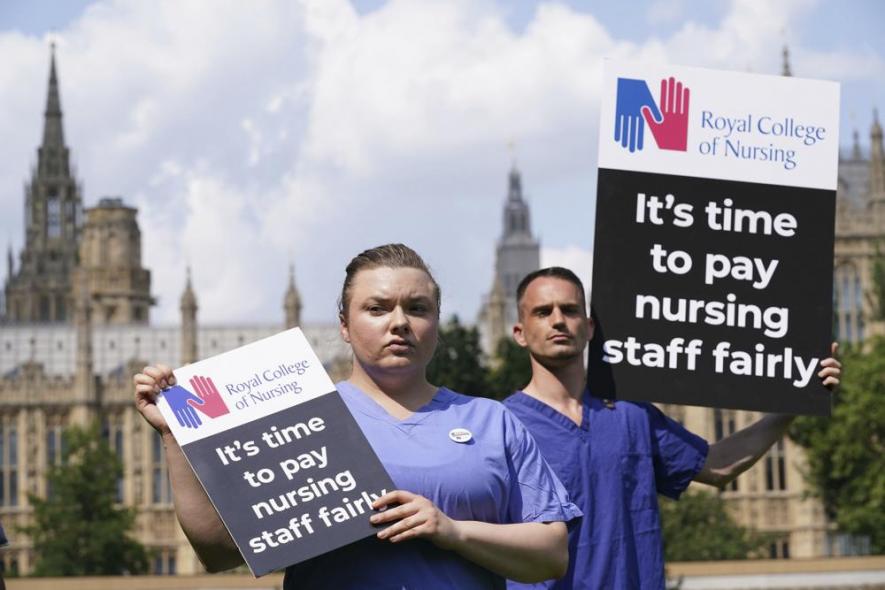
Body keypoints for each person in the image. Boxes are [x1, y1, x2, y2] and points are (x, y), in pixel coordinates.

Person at [134, 244, 580, 589]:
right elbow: (218, 549)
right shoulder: (300, 416)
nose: (400, 322)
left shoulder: (491, 422)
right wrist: (176, 437)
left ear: (437, 324)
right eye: (378, 308)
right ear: (344, 325)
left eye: (418, 308)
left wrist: (452, 531)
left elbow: (551, 552)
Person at [502, 267, 842, 590]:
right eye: (543, 312)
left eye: (570, 309)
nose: (559, 320)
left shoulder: (632, 413)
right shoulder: (502, 426)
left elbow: (718, 465)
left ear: (589, 327)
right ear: (520, 332)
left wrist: (797, 401)